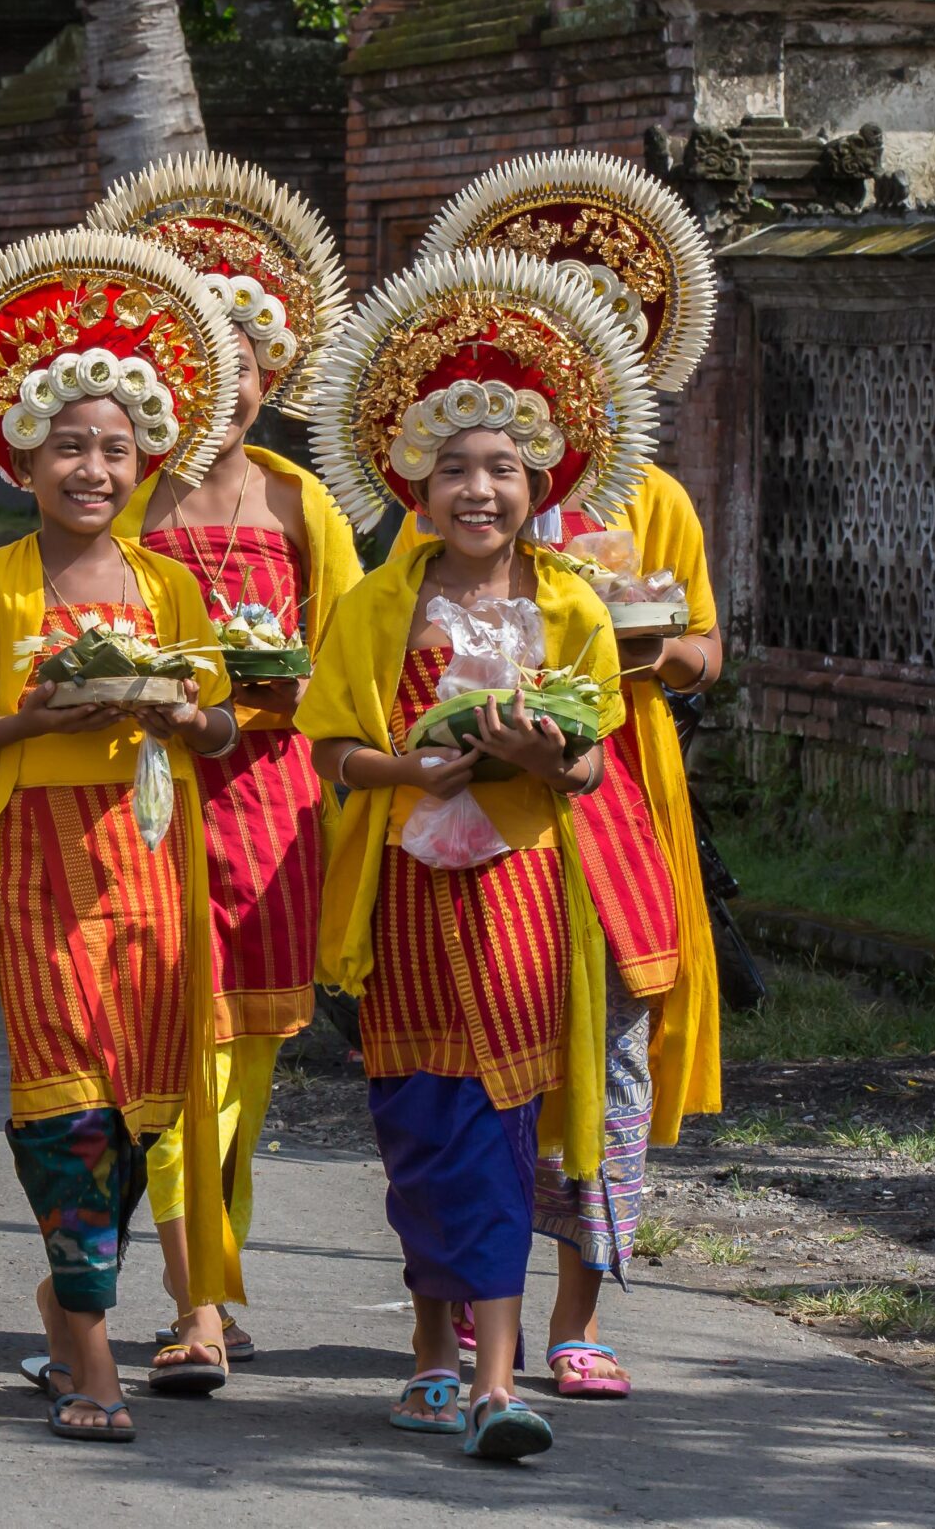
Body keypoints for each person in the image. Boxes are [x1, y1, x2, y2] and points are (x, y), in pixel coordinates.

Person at [299, 245, 654, 1461]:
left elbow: (595, 762)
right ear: (412, 479)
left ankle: (496, 1379)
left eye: (503, 466)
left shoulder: (571, 609)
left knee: (503, 1118)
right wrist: (415, 766)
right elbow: (330, 751)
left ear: (539, 478)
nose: (480, 490)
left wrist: (539, 752)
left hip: (520, 901)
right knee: (419, 1122)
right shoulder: (372, 605)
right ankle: (427, 1352)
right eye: (453, 468)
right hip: (401, 894)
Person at [0, 228, 244, 1441]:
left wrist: (169, 701)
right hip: (37, 869)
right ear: (23, 458)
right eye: (68, 446)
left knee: (147, 1109)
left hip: (152, 861)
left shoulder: (169, 589)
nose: (91, 467)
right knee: (66, 1107)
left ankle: (69, 1310)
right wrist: (31, 713)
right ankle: (96, 1357)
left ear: (146, 457)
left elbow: (215, 729)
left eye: (113, 447)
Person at [416, 153, 729, 1396]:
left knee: (604, 1050)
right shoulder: (452, 496)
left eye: (597, 325)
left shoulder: (650, 496)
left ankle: (577, 1316)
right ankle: (443, 1322)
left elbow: (702, 646)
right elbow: (400, 643)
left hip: (617, 791)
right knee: (469, 1042)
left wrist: (634, 643)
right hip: (473, 812)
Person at [86, 152, 362, 1374]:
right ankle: (191, 1291)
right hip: (134, 800)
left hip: (266, 806)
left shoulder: (307, 508)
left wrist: (289, 689)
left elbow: (349, 667)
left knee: (238, 1061)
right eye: (204, 356)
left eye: (249, 358)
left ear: (278, 368)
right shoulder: (121, 503)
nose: (230, 382)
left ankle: (205, 1288)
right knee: (156, 1045)